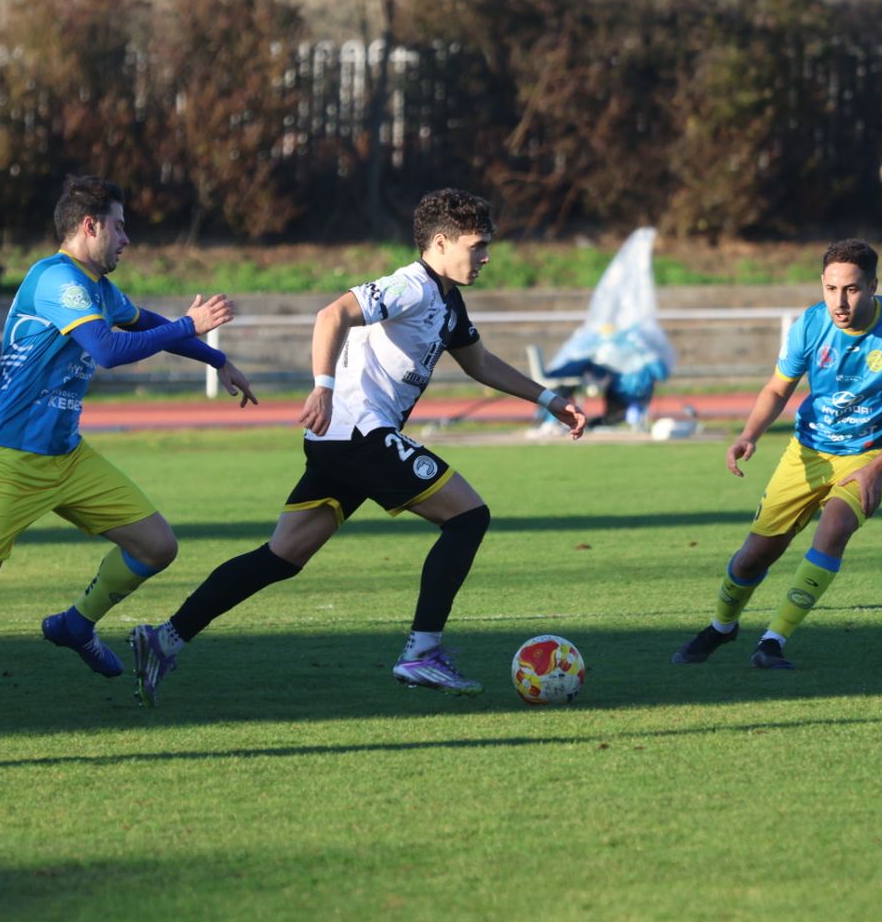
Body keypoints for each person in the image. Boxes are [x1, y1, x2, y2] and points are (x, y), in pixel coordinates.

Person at [120, 188, 587, 707]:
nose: (486, 257)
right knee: (468, 517)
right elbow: (331, 314)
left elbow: (480, 363)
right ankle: (422, 652)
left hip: (339, 442)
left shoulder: (448, 302)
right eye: (477, 246)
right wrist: (322, 384)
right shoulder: (409, 286)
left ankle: (163, 640)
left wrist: (549, 399)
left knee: (281, 557)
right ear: (439, 242)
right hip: (359, 433)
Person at [0, 174, 257, 721]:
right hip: (9, 459)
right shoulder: (56, 279)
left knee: (157, 546)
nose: (127, 239)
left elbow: (144, 323)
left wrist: (217, 359)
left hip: (67, 455)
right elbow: (106, 348)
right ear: (90, 225)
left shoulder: (98, 288)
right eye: (120, 227)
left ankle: (76, 623)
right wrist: (190, 323)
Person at [670, 239, 882, 671]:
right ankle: (722, 627)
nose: (840, 301)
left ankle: (773, 641)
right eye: (832, 288)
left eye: (852, 289)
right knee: (754, 556)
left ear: (873, 285)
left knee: (834, 527)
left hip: (870, 454)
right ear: (822, 284)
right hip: (808, 450)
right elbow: (779, 388)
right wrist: (749, 434)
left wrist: (879, 466)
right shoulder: (809, 325)